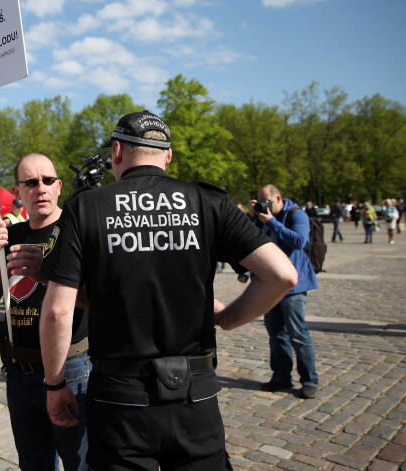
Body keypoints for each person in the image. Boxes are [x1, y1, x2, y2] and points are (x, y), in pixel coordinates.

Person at [39, 110, 297, 469]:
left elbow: (57, 311)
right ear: (168, 156)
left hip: (120, 396)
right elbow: (283, 275)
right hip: (196, 391)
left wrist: (54, 385)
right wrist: (228, 318)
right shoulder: (208, 202)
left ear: (116, 151)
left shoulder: (87, 207)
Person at [0, 153, 91, 471]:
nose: (40, 188)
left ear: (58, 186)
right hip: (19, 371)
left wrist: (46, 273)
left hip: (71, 368)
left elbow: (99, 300)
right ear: (18, 191)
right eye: (30, 182)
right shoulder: (11, 236)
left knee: (79, 462)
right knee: (34, 464)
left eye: (47, 180)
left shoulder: (78, 230)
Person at [252, 184, 319, 399]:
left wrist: (271, 222)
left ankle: (309, 380)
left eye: (267, 202)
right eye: (261, 201)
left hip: (293, 286)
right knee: (276, 334)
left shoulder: (296, 214)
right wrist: (254, 217)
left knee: (298, 334)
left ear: (278, 198)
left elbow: (300, 241)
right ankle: (281, 377)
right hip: (269, 285)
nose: (264, 206)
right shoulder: (261, 217)